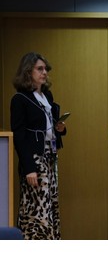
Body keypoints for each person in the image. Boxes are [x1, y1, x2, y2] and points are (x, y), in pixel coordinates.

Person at [10, 52, 67, 240]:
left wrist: (59, 128)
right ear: (28, 71)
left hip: (50, 158)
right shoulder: (20, 99)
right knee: (36, 212)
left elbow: (48, 126)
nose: (44, 73)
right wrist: (29, 168)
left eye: (45, 69)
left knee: (51, 207)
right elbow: (19, 136)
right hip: (35, 161)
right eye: (40, 69)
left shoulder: (47, 96)